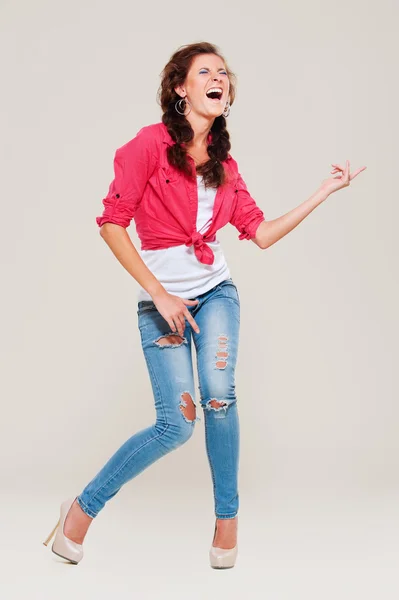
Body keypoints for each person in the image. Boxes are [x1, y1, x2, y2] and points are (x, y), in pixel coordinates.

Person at [43, 42, 366, 569]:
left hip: (216, 294)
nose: (219, 78)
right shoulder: (147, 146)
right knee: (177, 425)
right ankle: (81, 509)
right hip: (162, 303)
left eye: (224, 73)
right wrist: (159, 292)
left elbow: (260, 233)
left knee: (219, 394)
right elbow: (110, 223)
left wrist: (324, 191)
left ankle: (227, 519)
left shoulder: (225, 167)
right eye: (205, 72)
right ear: (180, 89)